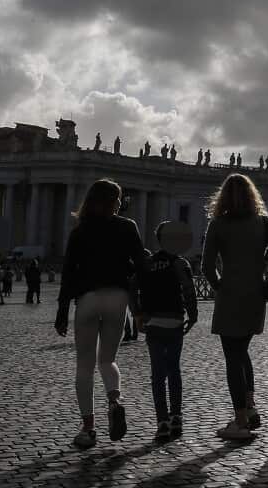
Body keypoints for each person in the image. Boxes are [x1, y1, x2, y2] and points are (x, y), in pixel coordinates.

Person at [55, 179, 147, 449]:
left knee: (84, 365)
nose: (120, 204)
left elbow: (69, 273)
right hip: (117, 298)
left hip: (87, 299)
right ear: (113, 201)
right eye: (118, 199)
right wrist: (140, 308)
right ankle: (114, 400)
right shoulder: (127, 227)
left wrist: (61, 311)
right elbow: (141, 267)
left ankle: (87, 428)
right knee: (108, 360)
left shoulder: (80, 231)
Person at [201, 173, 268, 440]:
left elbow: (206, 267)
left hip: (229, 296)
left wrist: (220, 287)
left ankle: (240, 422)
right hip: (255, 297)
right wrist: (264, 256)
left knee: (233, 358)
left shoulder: (217, 224)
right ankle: (250, 409)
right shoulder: (264, 222)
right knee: (242, 353)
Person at [136, 221, 199, 443]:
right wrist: (193, 315)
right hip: (174, 322)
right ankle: (177, 418)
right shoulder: (180, 263)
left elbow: (136, 289)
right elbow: (189, 291)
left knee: (157, 375)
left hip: (153, 323)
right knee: (174, 371)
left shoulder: (148, 263)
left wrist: (138, 315)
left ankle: (161, 422)